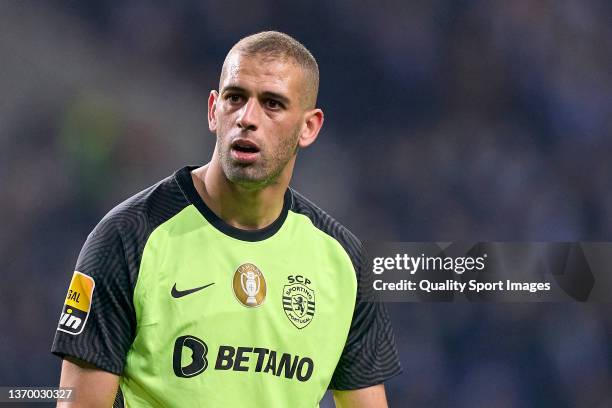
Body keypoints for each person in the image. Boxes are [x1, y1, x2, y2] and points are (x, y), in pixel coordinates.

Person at [52, 31, 401, 407]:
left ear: (309, 127)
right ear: (213, 111)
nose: (247, 118)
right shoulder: (128, 237)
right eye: (236, 98)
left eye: (272, 104)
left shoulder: (347, 263)